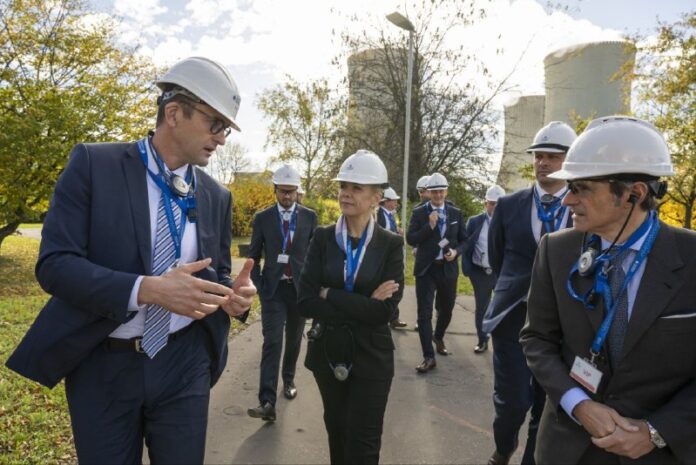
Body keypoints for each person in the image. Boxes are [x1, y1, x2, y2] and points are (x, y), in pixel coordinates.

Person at [5, 56, 257, 464]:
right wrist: (147, 290)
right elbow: (55, 264)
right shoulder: (93, 165)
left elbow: (216, 273)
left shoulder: (216, 195)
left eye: (226, 128)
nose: (222, 138)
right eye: (215, 124)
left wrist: (232, 295)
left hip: (184, 362)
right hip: (103, 365)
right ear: (173, 114)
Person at [521, 115, 696, 464]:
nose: (567, 200)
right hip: (570, 450)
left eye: (581, 188)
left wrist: (655, 431)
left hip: (660, 453)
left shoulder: (690, 257)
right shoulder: (556, 251)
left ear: (634, 194)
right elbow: (537, 340)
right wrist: (579, 404)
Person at [298, 149, 404, 464]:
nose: (346, 193)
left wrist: (330, 294)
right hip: (328, 351)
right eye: (343, 186)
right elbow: (305, 301)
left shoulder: (390, 244)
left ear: (376, 198)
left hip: (372, 355)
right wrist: (364, 303)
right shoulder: (322, 238)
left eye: (356, 188)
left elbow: (384, 312)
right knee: (338, 434)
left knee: (364, 446)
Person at [483, 121, 577, 465]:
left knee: (547, 403)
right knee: (513, 401)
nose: (543, 163)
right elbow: (497, 258)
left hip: (563, 323)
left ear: (569, 160)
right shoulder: (509, 205)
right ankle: (504, 446)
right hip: (513, 317)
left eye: (552, 156)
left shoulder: (583, 207)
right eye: (539, 156)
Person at [247, 164, 317, 422]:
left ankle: (288, 380)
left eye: (291, 191)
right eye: (283, 191)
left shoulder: (309, 217)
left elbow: (315, 256)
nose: (287, 196)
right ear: (275, 190)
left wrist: (314, 286)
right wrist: (260, 286)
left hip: (299, 290)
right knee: (272, 341)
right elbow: (253, 256)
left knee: (294, 339)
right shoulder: (263, 218)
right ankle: (267, 401)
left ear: (297, 191)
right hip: (273, 291)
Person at [407, 172, 467, 373]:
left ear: (446, 191)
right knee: (424, 314)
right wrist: (429, 226)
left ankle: (438, 336)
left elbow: (465, 240)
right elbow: (410, 238)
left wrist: (456, 252)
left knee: (447, 309)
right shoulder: (419, 213)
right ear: (428, 192)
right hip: (426, 269)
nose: (438, 195)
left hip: (447, 269)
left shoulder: (455, 213)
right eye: (434, 192)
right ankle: (428, 356)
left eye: (441, 191)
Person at [462, 184, 505, 354]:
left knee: (503, 308)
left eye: (499, 204)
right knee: (482, 308)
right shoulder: (474, 222)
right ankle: (482, 340)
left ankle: (503, 343)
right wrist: (468, 268)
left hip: (501, 273)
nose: (495, 207)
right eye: (492, 203)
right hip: (480, 272)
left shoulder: (509, 221)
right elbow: (466, 243)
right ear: (485, 203)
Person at [377, 187, 407, 329]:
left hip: (391, 256)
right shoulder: (379, 214)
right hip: (383, 257)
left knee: (393, 286)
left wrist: (397, 232)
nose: (396, 203)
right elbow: (380, 233)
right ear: (386, 201)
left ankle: (393, 317)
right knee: (390, 286)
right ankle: (390, 317)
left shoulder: (389, 215)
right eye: (394, 200)